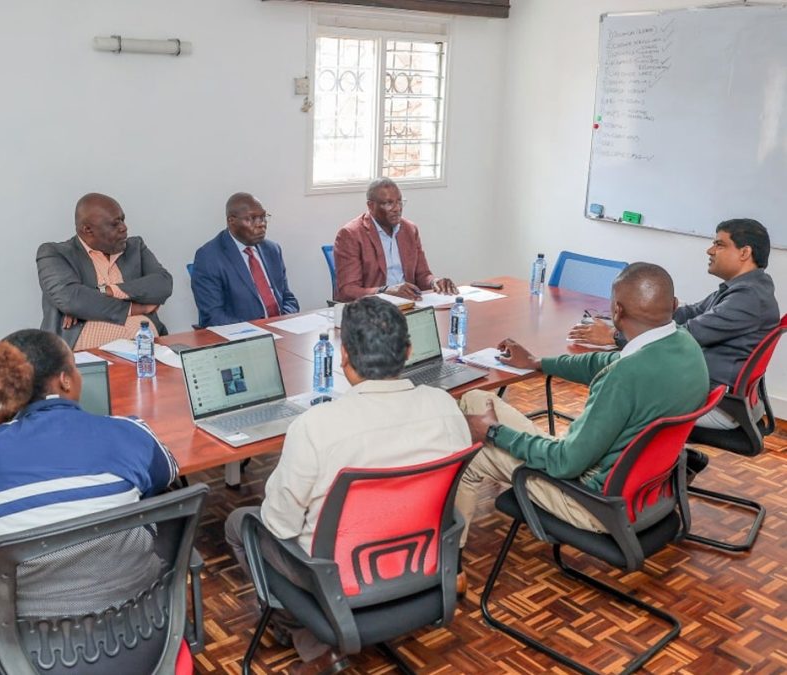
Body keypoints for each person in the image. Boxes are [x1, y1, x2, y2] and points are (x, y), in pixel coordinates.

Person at [225, 296, 471, 673]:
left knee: (239, 523)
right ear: (408, 351)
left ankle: (311, 640)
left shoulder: (316, 426)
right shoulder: (446, 407)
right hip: (423, 563)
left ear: (344, 357)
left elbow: (279, 525)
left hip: (336, 580)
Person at [0, 329, 179, 675]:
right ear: (65, 380)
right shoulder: (129, 433)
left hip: (16, 658)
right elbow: (164, 475)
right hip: (140, 637)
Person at [457, 263, 709, 581]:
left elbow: (566, 462)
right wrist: (538, 363)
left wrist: (494, 432)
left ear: (616, 311)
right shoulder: (685, 346)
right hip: (646, 490)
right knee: (476, 398)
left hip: (591, 501)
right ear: (674, 305)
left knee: (471, 454)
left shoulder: (623, 378)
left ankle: (451, 567)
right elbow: (606, 361)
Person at [569, 219, 779, 429]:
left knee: (618, 386)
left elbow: (684, 337)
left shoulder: (749, 298)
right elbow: (690, 313)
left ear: (744, 252)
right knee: (624, 378)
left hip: (716, 402)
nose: (710, 250)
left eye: (719, 244)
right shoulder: (744, 289)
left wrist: (616, 336)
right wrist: (637, 318)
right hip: (706, 388)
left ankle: (588, 447)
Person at [37, 193, 173, 350]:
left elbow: (163, 284)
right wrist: (137, 308)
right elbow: (72, 300)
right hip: (86, 356)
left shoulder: (135, 247)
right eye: (115, 224)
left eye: (123, 220)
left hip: (149, 350)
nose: (124, 227)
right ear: (88, 229)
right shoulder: (54, 254)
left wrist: (106, 291)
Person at [333, 177, 457, 302]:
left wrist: (434, 282)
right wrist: (385, 291)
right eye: (388, 203)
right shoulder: (351, 235)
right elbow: (348, 291)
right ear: (371, 206)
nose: (397, 208)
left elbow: (422, 275)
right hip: (374, 308)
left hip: (409, 304)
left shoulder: (410, 230)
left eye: (399, 202)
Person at [191, 192, 299, 327]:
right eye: (252, 219)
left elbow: (288, 298)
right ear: (231, 221)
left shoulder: (272, 250)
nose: (261, 224)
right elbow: (214, 316)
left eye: (263, 217)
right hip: (244, 335)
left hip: (282, 329)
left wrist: (284, 321)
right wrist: (259, 330)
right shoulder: (209, 257)